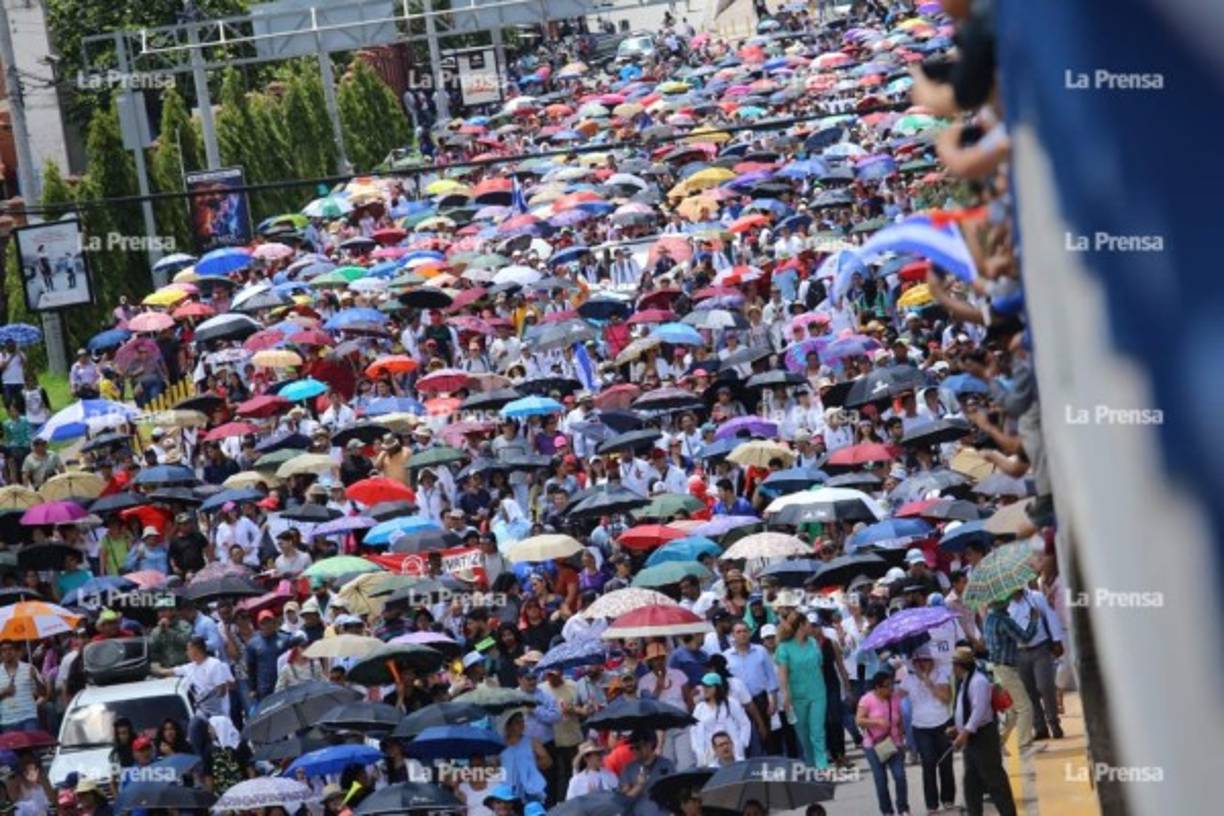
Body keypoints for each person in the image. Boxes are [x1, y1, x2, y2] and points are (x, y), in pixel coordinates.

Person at [950, 647, 1017, 816]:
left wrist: (963, 733)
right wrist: (957, 728)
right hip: (971, 737)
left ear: (960, 665)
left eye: (954, 664)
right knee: (971, 782)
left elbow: (979, 711)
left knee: (994, 779)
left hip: (983, 736)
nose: (953, 668)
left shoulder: (978, 681)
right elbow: (964, 709)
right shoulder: (965, 681)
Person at [899, 645, 956, 813]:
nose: (921, 663)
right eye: (917, 661)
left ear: (932, 661)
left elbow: (946, 698)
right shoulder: (908, 680)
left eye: (925, 660)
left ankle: (948, 799)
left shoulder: (941, 675)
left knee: (946, 763)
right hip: (921, 727)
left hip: (942, 724)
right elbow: (894, 697)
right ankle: (931, 804)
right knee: (928, 764)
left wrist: (928, 683)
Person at [774, 611, 827, 769]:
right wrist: (785, 694)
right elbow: (782, 673)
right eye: (808, 624)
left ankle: (822, 766)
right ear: (801, 626)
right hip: (797, 696)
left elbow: (820, 666)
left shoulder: (813, 642)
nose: (811, 626)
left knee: (817, 732)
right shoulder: (784, 648)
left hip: (818, 693)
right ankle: (811, 764)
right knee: (804, 735)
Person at [856, 669, 909, 816]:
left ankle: (903, 808)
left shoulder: (895, 698)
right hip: (873, 745)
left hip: (894, 743)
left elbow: (900, 719)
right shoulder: (866, 699)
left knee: (900, 776)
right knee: (881, 780)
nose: (890, 688)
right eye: (887, 686)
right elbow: (859, 720)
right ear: (877, 687)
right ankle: (887, 811)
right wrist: (876, 721)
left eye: (891, 684)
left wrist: (902, 738)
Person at [690, 672, 751, 766]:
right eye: (704, 686)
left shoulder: (731, 703)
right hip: (709, 752)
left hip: (730, 749)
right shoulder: (700, 708)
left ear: (717, 688)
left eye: (709, 686)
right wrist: (697, 749)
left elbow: (744, 723)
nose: (705, 689)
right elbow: (693, 730)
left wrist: (741, 744)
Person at [618, 730, 674, 816]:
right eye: (631, 748)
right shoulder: (628, 769)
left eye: (637, 747)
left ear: (649, 745)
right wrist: (638, 786)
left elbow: (675, 793)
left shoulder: (666, 765)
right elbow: (622, 802)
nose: (634, 751)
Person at [0, 639, 45, 733]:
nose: (7, 652)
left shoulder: (29, 668)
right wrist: (4, 692)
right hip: (8, 721)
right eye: (4, 650)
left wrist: (35, 679)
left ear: (15, 651)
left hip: (29, 718)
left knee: (31, 747)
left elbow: (43, 693)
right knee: (13, 748)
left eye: (10, 649)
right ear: (1, 654)